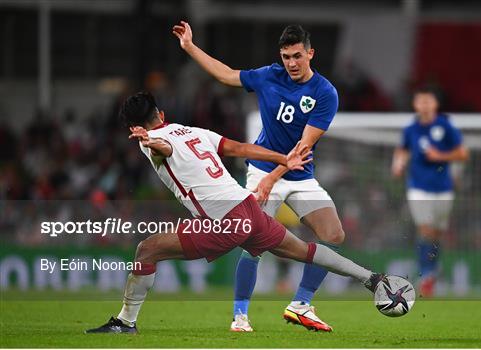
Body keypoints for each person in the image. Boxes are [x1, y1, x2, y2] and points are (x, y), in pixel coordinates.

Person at [86, 92, 386, 334]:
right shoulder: (194, 132)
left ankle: (125, 323)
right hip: (249, 209)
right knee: (305, 250)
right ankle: (370, 277)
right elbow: (242, 149)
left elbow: (163, 148)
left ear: (134, 127)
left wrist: (151, 142)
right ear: (161, 114)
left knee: (146, 250)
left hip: (224, 221)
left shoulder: (151, 142)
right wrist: (283, 158)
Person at [173, 21, 343, 332]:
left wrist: (272, 179)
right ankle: (240, 317)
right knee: (253, 243)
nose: (290, 63)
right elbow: (226, 74)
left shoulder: (324, 93)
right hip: (262, 170)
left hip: (298, 174)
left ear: (310, 54)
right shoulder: (269, 76)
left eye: (296, 56)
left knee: (333, 235)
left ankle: (301, 304)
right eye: (285, 56)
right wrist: (190, 47)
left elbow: (302, 148)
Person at [392, 88, 469, 297]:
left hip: (443, 188)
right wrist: (398, 164)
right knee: (425, 229)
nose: (424, 105)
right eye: (420, 101)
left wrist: (440, 155)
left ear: (435, 104)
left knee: (436, 234)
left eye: (428, 101)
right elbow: (403, 149)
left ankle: (432, 271)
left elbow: (463, 153)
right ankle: (426, 274)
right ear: (415, 105)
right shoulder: (411, 129)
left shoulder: (445, 126)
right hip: (417, 187)